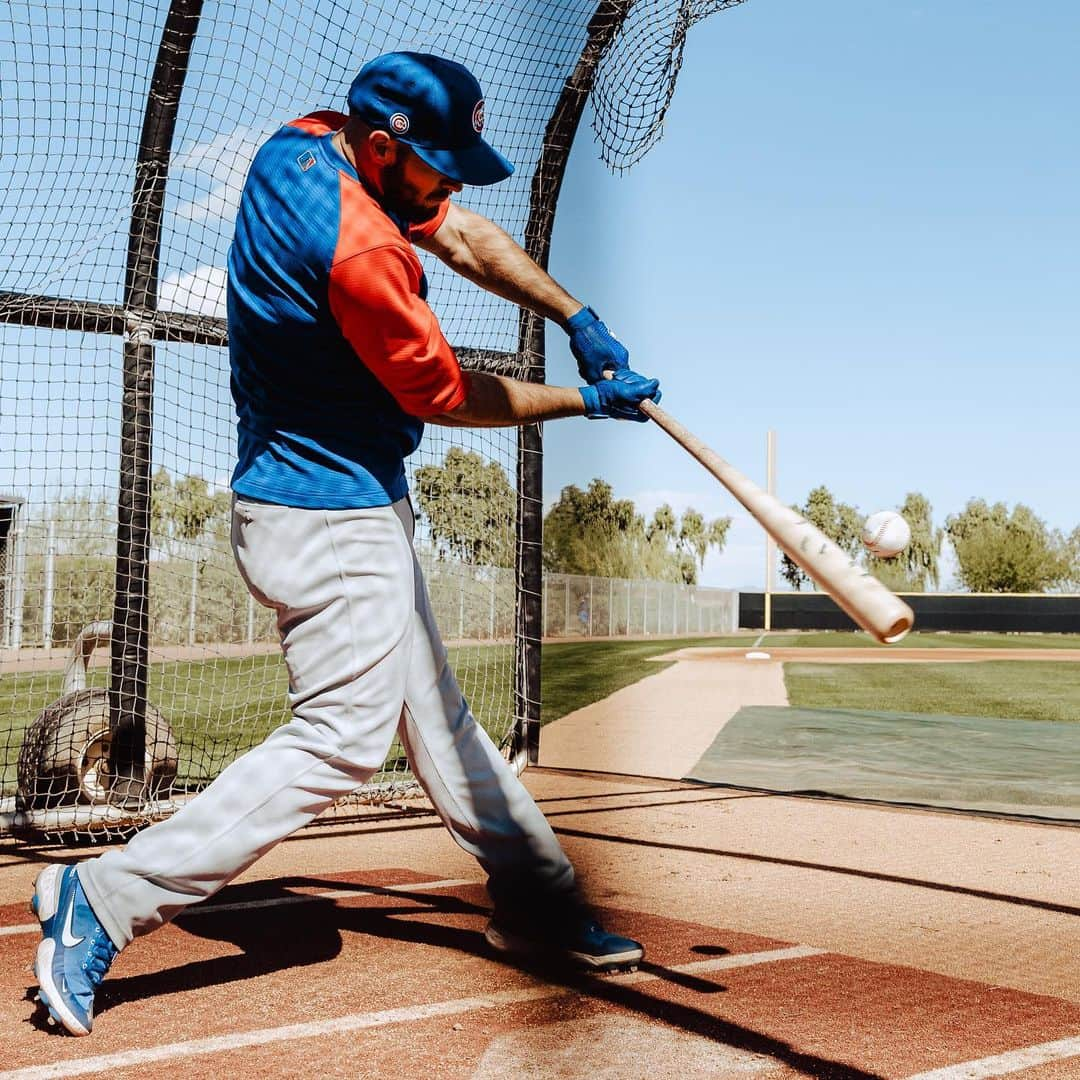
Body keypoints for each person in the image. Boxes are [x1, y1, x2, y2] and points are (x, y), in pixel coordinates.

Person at [30, 51, 661, 1037]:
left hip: (327, 498)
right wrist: (585, 399)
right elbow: (444, 395)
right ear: (381, 150)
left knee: (438, 719)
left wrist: (574, 315)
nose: (451, 183)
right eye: (437, 165)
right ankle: (105, 898)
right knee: (341, 743)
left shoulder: (303, 145)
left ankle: (536, 896)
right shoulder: (365, 256)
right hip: (330, 519)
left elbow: (461, 230)